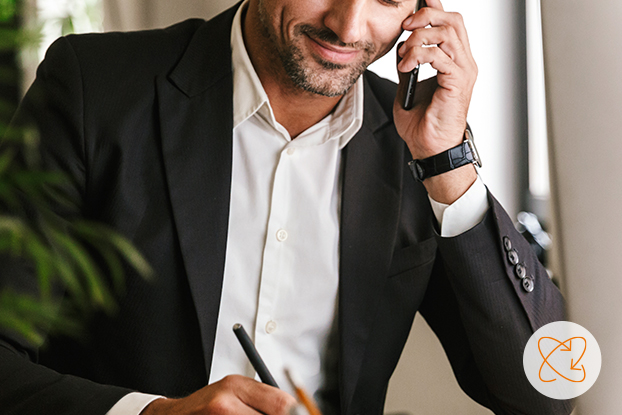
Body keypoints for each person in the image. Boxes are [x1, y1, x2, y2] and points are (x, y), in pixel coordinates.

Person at [0, 0, 573, 414]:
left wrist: (448, 164)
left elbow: (548, 393)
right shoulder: (93, 87)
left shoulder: (415, 142)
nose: (348, 25)